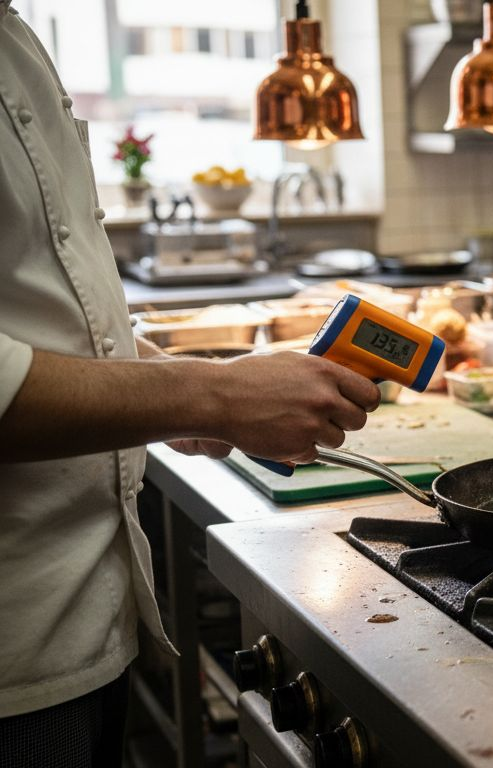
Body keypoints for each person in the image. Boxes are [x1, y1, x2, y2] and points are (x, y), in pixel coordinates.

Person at [0, 5, 379, 764]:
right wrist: (214, 395)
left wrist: (171, 382)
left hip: (82, 618)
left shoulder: (15, 34)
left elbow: (44, 311)